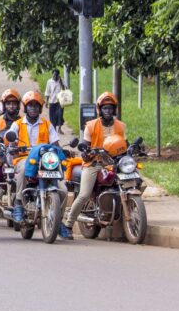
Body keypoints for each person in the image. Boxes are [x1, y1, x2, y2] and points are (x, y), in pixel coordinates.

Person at [62, 92, 127, 240]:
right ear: (99, 109)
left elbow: (124, 144)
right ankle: (68, 225)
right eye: (105, 108)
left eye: (110, 108)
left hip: (114, 163)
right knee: (84, 194)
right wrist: (85, 151)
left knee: (133, 181)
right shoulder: (91, 126)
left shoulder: (120, 126)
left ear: (115, 109)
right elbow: (85, 144)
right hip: (94, 163)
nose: (108, 111)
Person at [7, 90, 61, 224]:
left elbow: (55, 144)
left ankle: (58, 220)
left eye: (36, 106)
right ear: (25, 107)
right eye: (30, 105)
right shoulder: (17, 124)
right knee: (24, 169)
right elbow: (11, 141)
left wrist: (62, 150)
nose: (33, 108)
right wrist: (13, 147)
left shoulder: (47, 124)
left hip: (45, 161)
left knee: (63, 189)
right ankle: (19, 203)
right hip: (23, 158)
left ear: (40, 108)